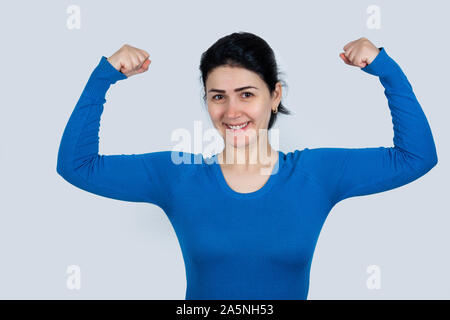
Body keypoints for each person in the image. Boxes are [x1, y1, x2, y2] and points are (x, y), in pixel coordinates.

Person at [56, 32, 438, 300]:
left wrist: (386, 70)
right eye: (218, 96)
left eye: (247, 94)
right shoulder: (177, 176)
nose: (232, 111)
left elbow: (416, 157)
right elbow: (77, 166)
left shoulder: (316, 174)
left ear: (275, 96)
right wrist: (103, 77)